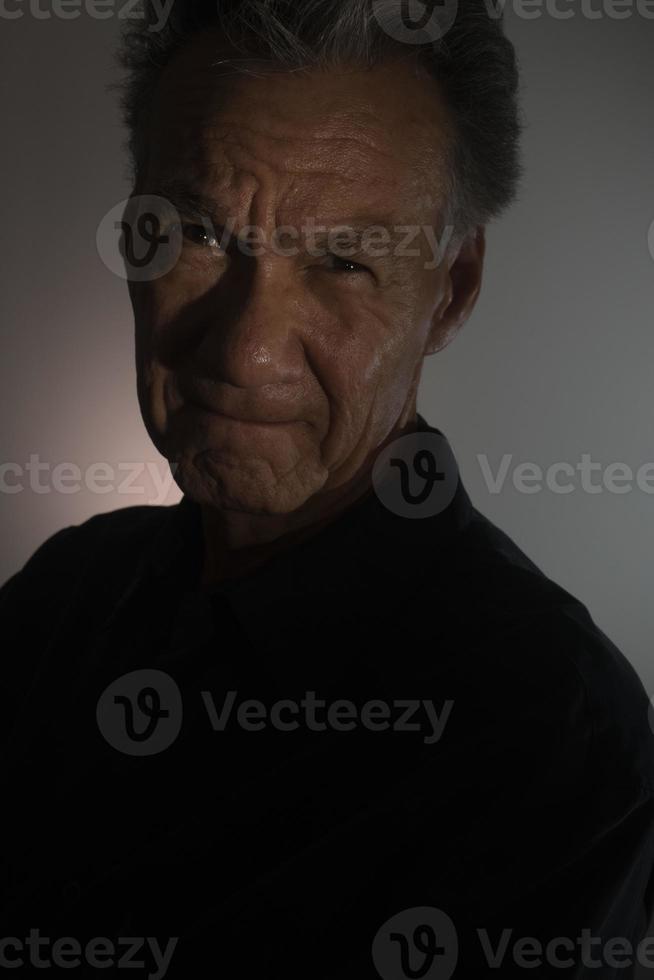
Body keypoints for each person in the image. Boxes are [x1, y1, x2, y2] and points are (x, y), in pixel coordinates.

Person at [2, 1, 653, 976]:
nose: (246, 352)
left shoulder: (549, 738)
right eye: (198, 233)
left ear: (453, 291)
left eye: (345, 260)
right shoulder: (67, 588)